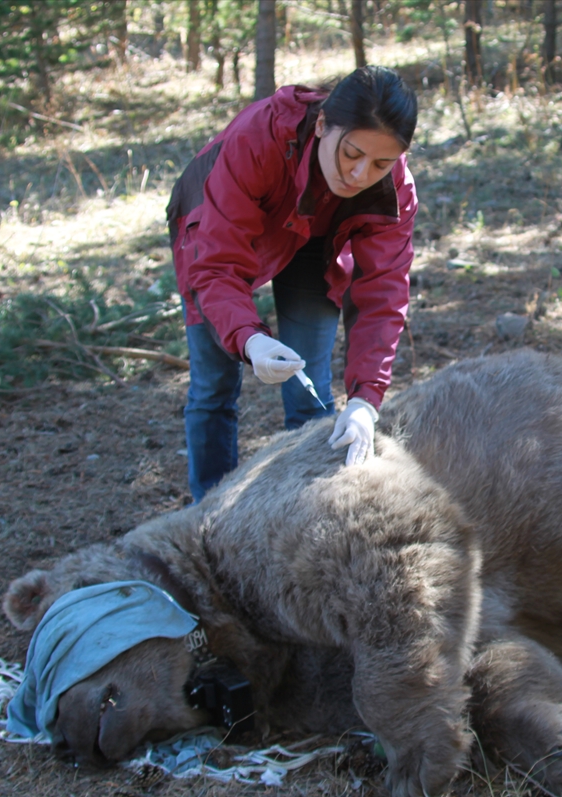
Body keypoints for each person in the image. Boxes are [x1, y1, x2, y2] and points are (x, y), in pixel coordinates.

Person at [167, 65, 418, 502]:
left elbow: (384, 292)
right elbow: (216, 266)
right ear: (322, 125)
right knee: (214, 385)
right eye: (351, 153)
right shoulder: (256, 140)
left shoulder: (394, 188)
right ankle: (207, 512)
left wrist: (365, 400)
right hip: (212, 225)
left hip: (315, 240)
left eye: (380, 163)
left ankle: (302, 507)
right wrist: (249, 339)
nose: (360, 174)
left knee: (310, 390)